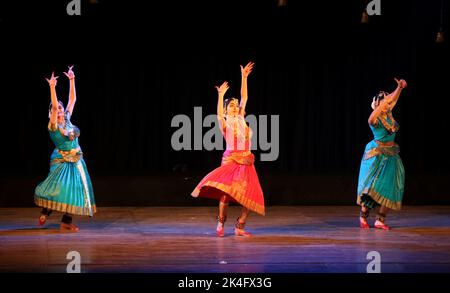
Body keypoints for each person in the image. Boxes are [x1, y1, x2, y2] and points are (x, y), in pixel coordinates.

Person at [192, 62, 265, 237]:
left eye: (235, 104)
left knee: (250, 196)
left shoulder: (240, 118)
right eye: (230, 105)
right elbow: (218, 114)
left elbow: (244, 97)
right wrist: (220, 95)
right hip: (231, 160)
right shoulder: (225, 123)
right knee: (225, 195)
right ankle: (221, 222)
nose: (234, 106)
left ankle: (240, 226)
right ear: (226, 110)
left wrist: (244, 77)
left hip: (247, 160)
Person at [35, 66, 96, 232]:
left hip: (76, 159)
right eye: (57, 109)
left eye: (61, 108)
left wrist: (72, 79)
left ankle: (66, 222)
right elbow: (54, 107)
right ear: (51, 114)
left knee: (74, 189)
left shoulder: (67, 119)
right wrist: (52, 87)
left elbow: (73, 99)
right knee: (60, 187)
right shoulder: (53, 125)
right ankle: (46, 211)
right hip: (61, 159)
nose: (60, 109)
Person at [357, 78, 407, 230]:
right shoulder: (375, 119)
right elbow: (372, 117)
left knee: (392, 185)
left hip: (391, 154)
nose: (388, 102)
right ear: (378, 103)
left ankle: (380, 220)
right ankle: (363, 215)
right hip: (377, 155)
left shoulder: (388, 114)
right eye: (384, 101)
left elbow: (392, 99)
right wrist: (383, 103)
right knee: (373, 186)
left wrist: (399, 88)